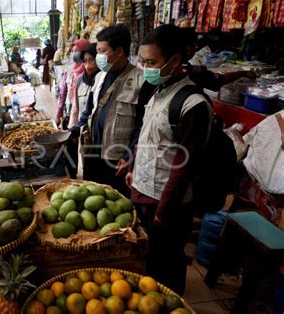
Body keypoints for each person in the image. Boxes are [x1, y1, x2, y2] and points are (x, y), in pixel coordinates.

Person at [126, 25, 213, 295]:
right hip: (144, 190)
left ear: (175, 60)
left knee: (168, 262)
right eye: (142, 62)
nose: (146, 68)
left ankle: (172, 301)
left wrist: (165, 207)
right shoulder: (159, 91)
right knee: (149, 256)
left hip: (168, 202)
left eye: (152, 62)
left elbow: (184, 165)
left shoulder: (193, 105)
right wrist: (133, 167)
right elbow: (148, 134)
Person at [70, 25, 144, 196]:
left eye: (102, 51)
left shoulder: (140, 80)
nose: (98, 57)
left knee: (114, 200)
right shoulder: (100, 76)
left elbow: (142, 124)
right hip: (93, 150)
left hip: (116, 156)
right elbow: (89, 110)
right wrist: (72, 130)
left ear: (119, 51)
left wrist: (128, 156)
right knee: (92, 196)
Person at [57, 41, 100, 178]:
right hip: (84, 133)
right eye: (85, 61)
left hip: (100, 137)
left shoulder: (104, 81)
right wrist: (72, 129)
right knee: (88, 169)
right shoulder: (80, 80)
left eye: (92, 60)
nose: (88, 66)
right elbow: (76, 108)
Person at [183, 28, 256, 91]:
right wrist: (242, 73)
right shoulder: (191, 71)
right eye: (195, 46)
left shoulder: (188, 68)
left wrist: (242, 73)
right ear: (188, 48)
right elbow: (218, 81)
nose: (196, 49)